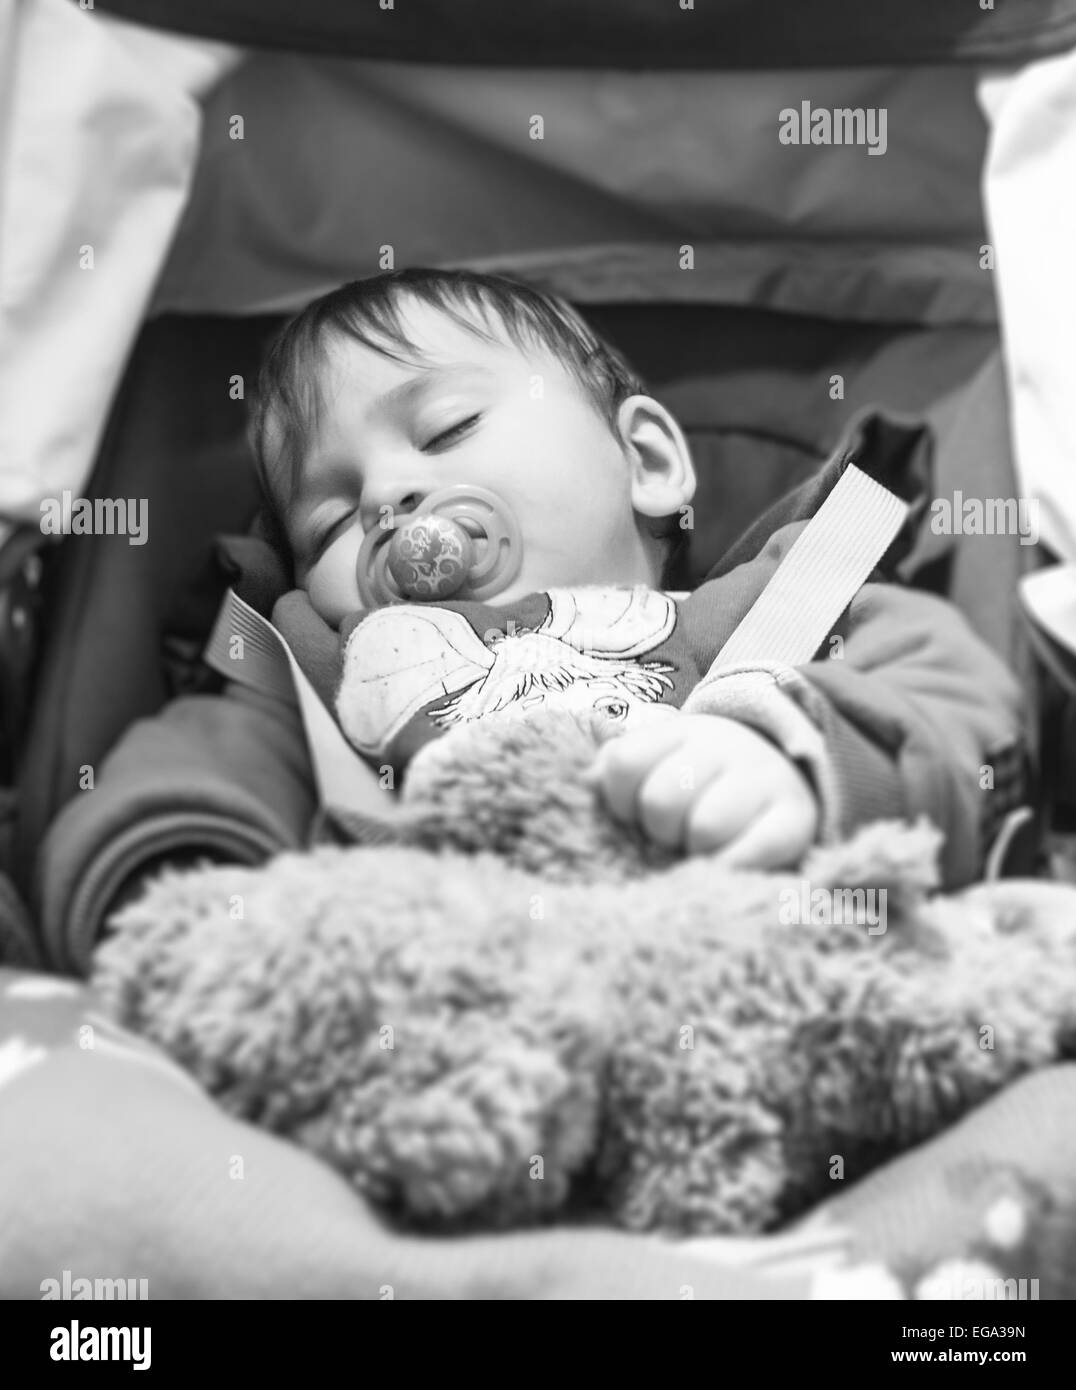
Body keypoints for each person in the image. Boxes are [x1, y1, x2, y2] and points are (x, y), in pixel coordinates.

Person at [246, 267, 1025, 874]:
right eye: (331, 521)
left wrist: (797, 764)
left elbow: (950, 699)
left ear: (645, 461)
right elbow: (212, 760)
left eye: (448, 428)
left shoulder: (779, 609)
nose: (385, 498)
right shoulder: (317, 667)